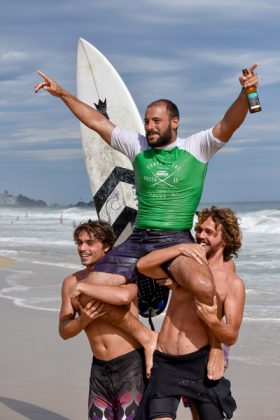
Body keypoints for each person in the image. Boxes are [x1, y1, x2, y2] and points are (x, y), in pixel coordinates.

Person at [35, 65, 257, 375]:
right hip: (139, 238)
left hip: (177, 237)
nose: (149, 126)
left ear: (174, 122)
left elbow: (229, 124)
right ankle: (146, 337)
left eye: (156, 121)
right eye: (146, 120)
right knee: (83, 296)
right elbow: (97, 122)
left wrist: (246, 93)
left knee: (204, 286)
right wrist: (62, 95)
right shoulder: (137, 146)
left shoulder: (197, 148)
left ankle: (216, 348)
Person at [135, 206, 245, 420]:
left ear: (226, 239)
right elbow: (143, 266)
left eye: (209, 232)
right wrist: (180, 249)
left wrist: (212, 321)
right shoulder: (184, 267)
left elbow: (231, 334)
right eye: (199, 230)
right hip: (165, 361)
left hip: (199, 364)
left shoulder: (232, 283)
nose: (201, 235)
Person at [59, 220, 147, 419]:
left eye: (89, 243)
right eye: (79, 243)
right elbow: (64, 331)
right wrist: (83, 321)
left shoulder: (124, 275)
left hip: (131, 365)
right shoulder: (71, 282)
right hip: (99, 368)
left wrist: (85, 288)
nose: (82, 248)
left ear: (106, 246)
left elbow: (124, 297)